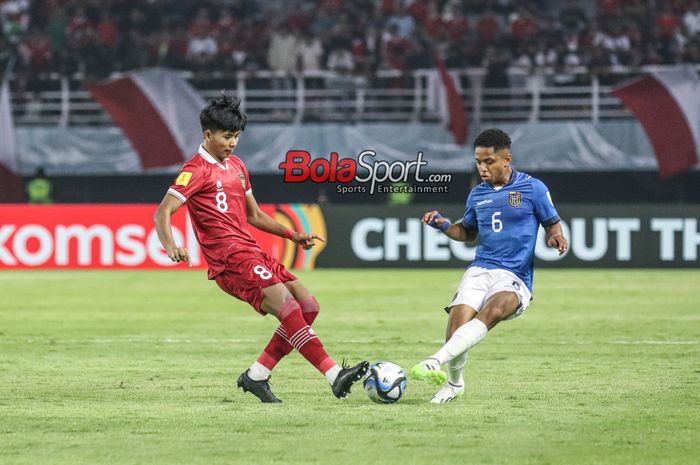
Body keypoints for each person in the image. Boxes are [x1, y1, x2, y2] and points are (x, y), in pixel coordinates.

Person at [153, 95, 368, 403]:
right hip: (230, 260)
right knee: (289, 309)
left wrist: (292, 234)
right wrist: (172, 245)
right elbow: (162, 212)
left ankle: (257, 375)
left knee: (309, 307)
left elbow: (253, 215)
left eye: (237, 136)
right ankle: (334, 375)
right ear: (207, 135)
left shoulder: (237, 166)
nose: (233, 143)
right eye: (227, 136)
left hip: (250, 250)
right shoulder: (195, 170)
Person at [410, 128, 568, 403]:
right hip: (480, 269)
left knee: (494, 309)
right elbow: (468, 233)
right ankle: (454, 384)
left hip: (514, 274)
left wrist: (556, 236)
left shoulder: (533, 188)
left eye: (488, 162)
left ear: (506, 158)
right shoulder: (477, 195)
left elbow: (551, 223)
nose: (482, 168)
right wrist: (444, 225)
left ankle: (433, 361)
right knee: (455, 329)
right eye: (478, 162)